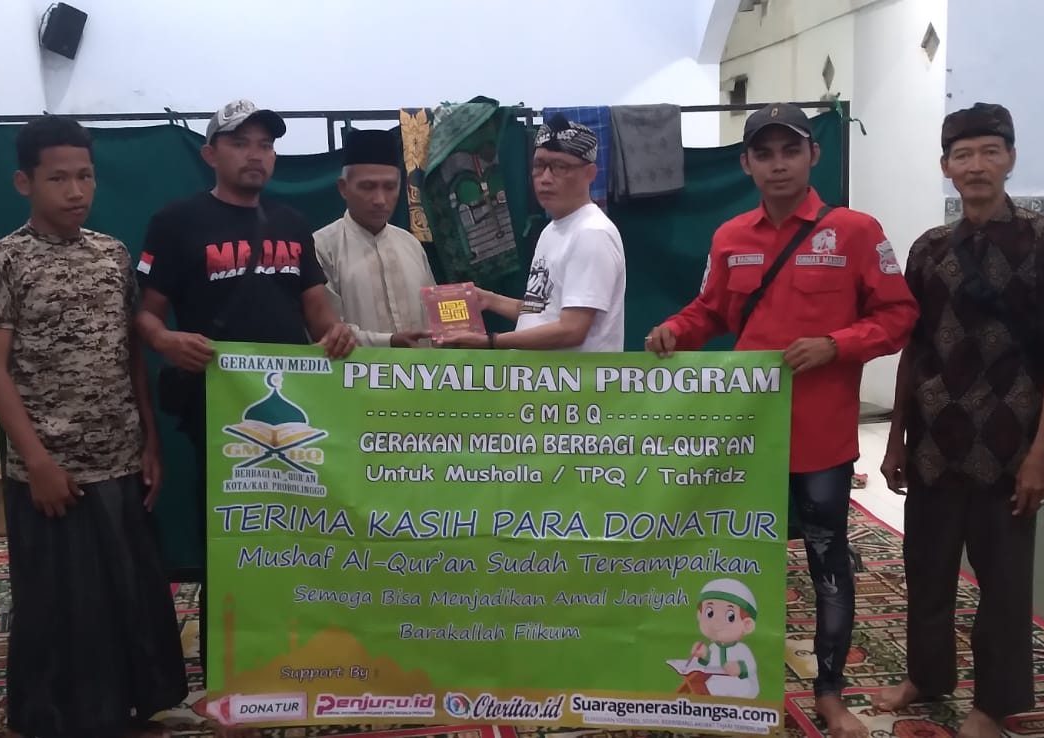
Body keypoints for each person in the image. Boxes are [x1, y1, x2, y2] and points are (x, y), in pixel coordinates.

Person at [645, 102, 917, 738]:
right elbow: (709, 311)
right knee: (733, 558)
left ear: (813, 155)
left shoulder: (854, 232)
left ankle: (829, 694)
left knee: (828, 565)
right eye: (763, 154)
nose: (778, 165)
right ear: (745, 164)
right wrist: (674, 331)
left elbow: (900, 317)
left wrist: (836, 345)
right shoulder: (730, 237)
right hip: (745, 437)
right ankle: (723, 677)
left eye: (790, 150)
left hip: (820, 440)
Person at [133, 98, 355, 738]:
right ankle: (229, 675)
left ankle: (300, 662)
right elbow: (144, 313)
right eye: (240, 143)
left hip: (301, 413)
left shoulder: (291, 222)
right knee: (230, 541)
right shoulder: (176, 222)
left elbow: (316, 308)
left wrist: (335, 332)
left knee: (298, 536)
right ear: (211, 153)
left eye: (265, 144)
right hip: (220, 411)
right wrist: (166, 340)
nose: (256, 154)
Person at [875, 103, 1044, 738]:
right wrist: (896, 438)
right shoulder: (929, 250)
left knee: (1003, 583)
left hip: (1010, 446)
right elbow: (914, 348)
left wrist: (1043, 451)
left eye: (989, 152)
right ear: (946, 166)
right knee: (926, 568)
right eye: (963, 155)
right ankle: (927, 676)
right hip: (934, 445)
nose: (976, 165)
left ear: (1010, 159)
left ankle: (992, 705)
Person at [0, 115, 186, 738]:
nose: (75, 191)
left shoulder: (113, 255)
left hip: (119, 455)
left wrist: (150, 441)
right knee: (61, 602)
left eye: (85, 176)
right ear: (24, 182)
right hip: (50, 467)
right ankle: (57, 717)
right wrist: (36, 461)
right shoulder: (3, 262)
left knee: (129, 591)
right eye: (58, 178)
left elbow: (129, 355)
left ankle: (136, 705)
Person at [441, 114, 626, 352]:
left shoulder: (592, 233)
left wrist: (492, 342)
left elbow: (572, 330)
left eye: (560, 167)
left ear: (590, 173)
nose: (545, 178)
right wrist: (490, 300)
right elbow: (542, 312)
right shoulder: (553, 230)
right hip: (544, 375)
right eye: (539, 166)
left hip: (576, 377)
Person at [313, 127, 433, 348]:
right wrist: (390, 342)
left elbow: (434, 319)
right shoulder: (321, 247)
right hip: (352, 371)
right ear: (343, 188)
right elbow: (328, 331)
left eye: (390, 187)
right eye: (368, 187)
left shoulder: (411, 245)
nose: (380, 199)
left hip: (421, 369)